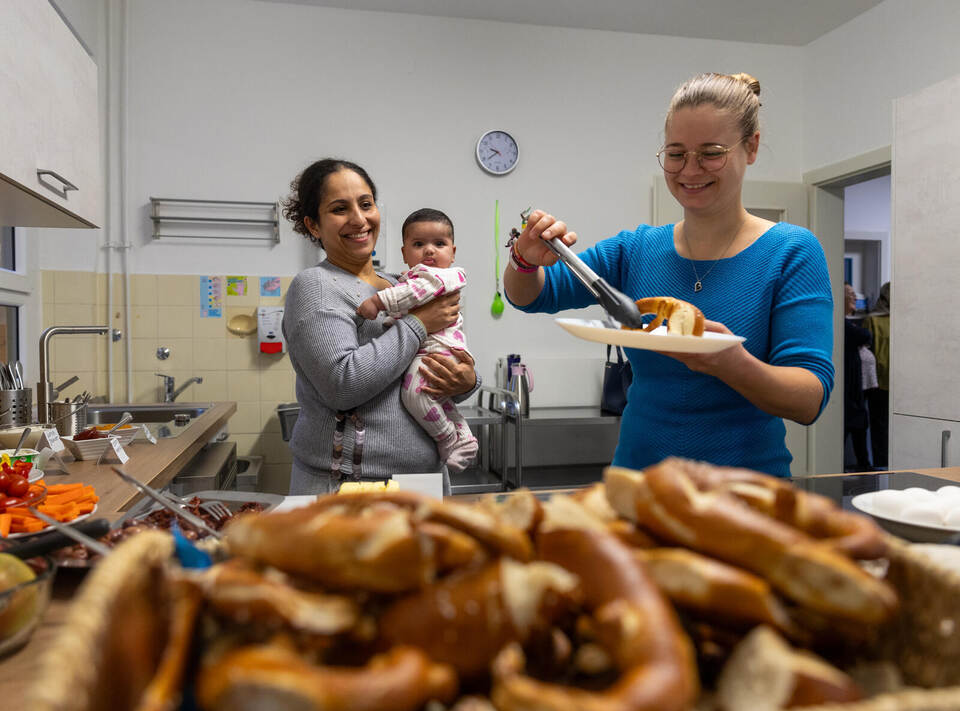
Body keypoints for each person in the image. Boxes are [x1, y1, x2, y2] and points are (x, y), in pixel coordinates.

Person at [504, 72, 834, 477]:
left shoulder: (791, 252)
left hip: (746, 493)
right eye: (676, 154)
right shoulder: (635, 249)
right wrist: (525, 258)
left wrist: (729, 363)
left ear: (752, 146)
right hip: (639, 486)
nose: (690, 171)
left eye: (711, 152)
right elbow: (532, 295)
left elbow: (808, 399)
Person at [281, 159, 479, 495]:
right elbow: (342, 384)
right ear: (313, 225)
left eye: (366, 204)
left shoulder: (401, 283)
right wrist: (418, 324)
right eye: (340, 208)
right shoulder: (315, 286)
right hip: (353, 487)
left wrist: (466, 380)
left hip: (424, 481)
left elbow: (434, 357)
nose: (359, 219)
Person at [357, 208, 479, 471]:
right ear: (404, 253)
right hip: (435, 349)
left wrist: (379, 302)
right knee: (438, 399)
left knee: (415, 395)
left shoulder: (439, 277)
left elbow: (413, 294)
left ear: (453, 251)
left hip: (436, 351)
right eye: (419, 244)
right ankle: (464, 436)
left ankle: (447, 438)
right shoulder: (408, 278)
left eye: (439, 244)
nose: (429, 251)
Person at [843, 284, 873, 471]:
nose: (855, 297)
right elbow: (864, 335)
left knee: (859, 425)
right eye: (851, 294)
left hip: (854, 389)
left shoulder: (846, 323)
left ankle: (864, 466)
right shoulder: (842, 325)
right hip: (846, 390)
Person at [863, 282, 890, 468]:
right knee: (879, 426)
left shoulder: (905, 319)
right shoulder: (873, 319)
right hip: (879, 382)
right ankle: (881, 465)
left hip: (901, 384)